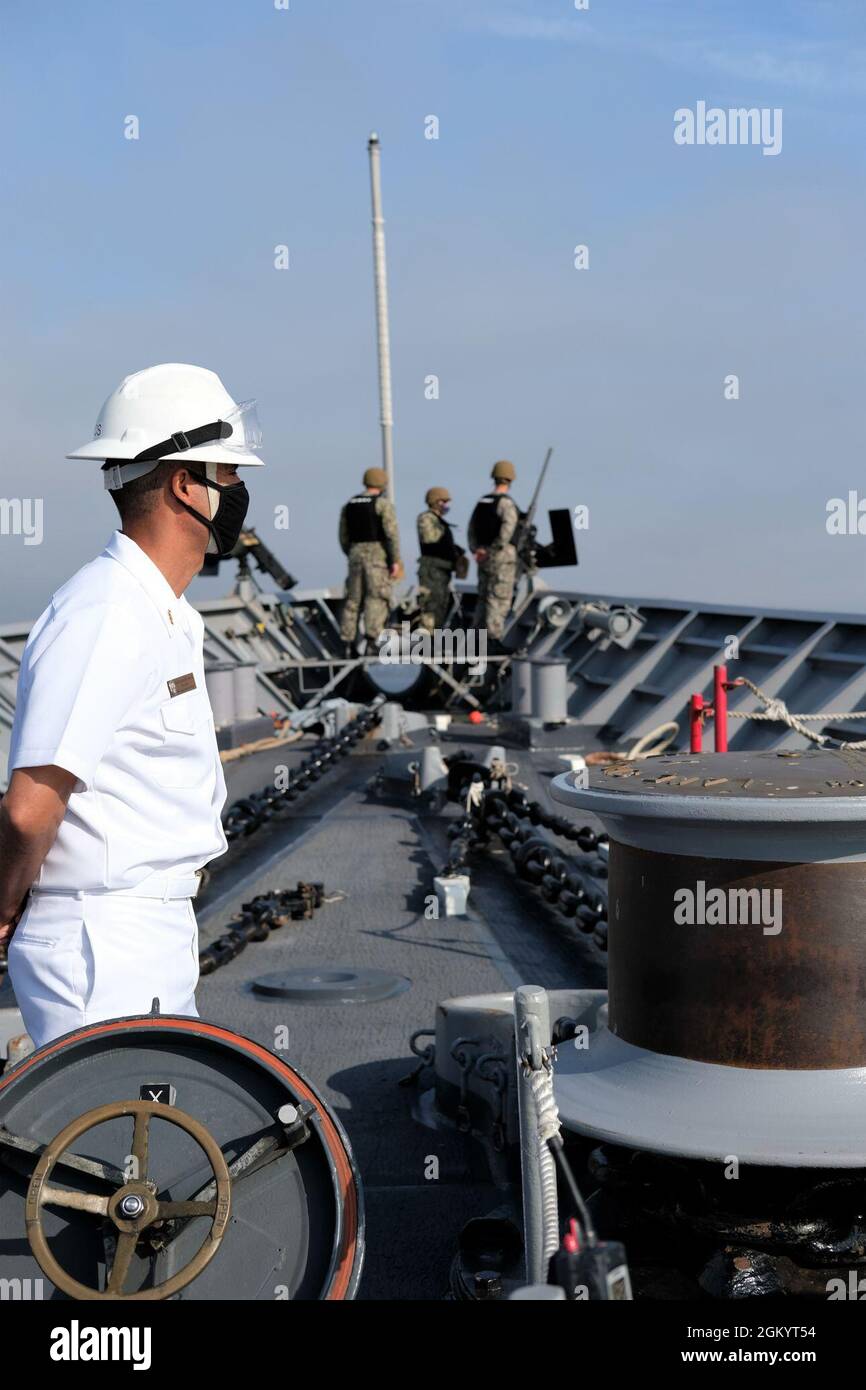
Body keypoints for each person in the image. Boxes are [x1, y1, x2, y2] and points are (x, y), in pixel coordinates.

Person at [0, 362, 264, 1048]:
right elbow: (30, 807)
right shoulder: (106, 612)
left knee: (148, 1142)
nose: (240, 490)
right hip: (103, 943)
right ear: (186, 484)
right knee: (109, 1147)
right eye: (230, 474)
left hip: (146, 932)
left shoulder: (165, 613)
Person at [339, 467, 401, 650]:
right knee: (376, 597)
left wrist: (353, 553)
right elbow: (392, 535)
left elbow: (343, 536)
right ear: (382, 484)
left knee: (353, 599)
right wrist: (394, 560)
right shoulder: (383, 505)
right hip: (377, 557)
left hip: (355, 556)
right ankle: (372, 642)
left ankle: (348, 644)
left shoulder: (349, 504)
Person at [467, 460, 521, 641]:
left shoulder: (482, 501)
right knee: (498, 599)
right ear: (510, 479)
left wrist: (477, 550)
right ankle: (493, 639)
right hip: (501, 559)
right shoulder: (506, 504)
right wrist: (495, 548)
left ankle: (476, 637)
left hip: (482, 559)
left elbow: (471, 529)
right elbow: (508, 528)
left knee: (483, 597)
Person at [416, 487, 466, 631]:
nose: (446, 505)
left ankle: (431, 644)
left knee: (440, 609)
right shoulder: (426, 518)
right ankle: (424, 645)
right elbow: (430, 539)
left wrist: (455, 551)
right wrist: (448, 546)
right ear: (435, 501)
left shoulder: (439, 521)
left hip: (442, 570)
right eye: (443, 502)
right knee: (430, 608)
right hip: (432, 571)